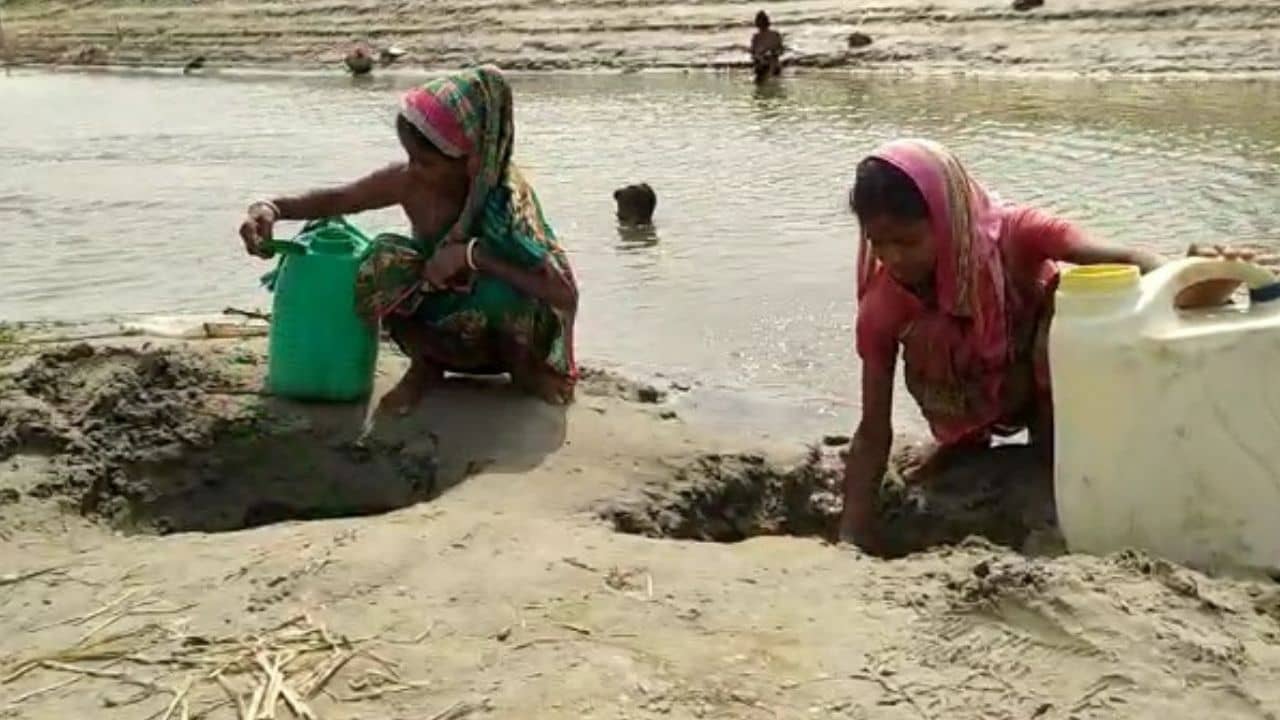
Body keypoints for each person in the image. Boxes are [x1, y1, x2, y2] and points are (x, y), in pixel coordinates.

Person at [837, 137, 1231, 550]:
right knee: (931, 333)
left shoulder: (1018, 233)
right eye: (879, 244)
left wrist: (1198, 272)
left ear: (945, 219)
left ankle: (1051, 448)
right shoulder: (883, 305)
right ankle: (962, 442)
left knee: (1075, 302)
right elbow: (873, 427)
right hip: (968, 393)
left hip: (1038, 375)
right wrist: (852, 533)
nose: (893, 258)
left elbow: (1134, 266)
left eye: (907, 241)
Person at [238, 66, 579, 411]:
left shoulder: (506, 202)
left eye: (426, 163)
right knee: (382, 260)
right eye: (410, 158)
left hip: (506, 337)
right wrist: (271, 208)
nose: (414, 170)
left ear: (472, 160)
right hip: (447, 328)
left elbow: (564, 294)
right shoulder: (410, 183)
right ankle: (426, 365)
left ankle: (526, 372)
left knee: (498, 289)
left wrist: (472, 256)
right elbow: (340, 199)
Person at [750, 11, 783, 84]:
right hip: (772, 65)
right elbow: (781, 51)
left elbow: (753, 53)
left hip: (764, 66)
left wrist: (762, 56)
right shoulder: (775, 34)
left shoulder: (756, 37)